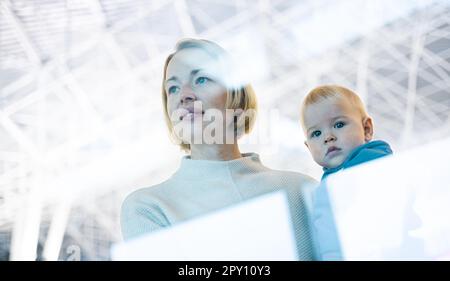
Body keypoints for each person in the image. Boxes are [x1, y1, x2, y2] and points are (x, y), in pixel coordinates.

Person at [121, 38, 318, 260]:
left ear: (235, 93)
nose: (184, 95)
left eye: (201, 79)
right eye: (173, 88)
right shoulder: (149, 208)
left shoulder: (301, 190)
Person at [300, 85, 393, 260]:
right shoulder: (327, 183)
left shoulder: (373, 163)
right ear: (308, 147)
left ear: (366, 129)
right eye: (316, 133)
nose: (328, 137)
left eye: (339, 124)